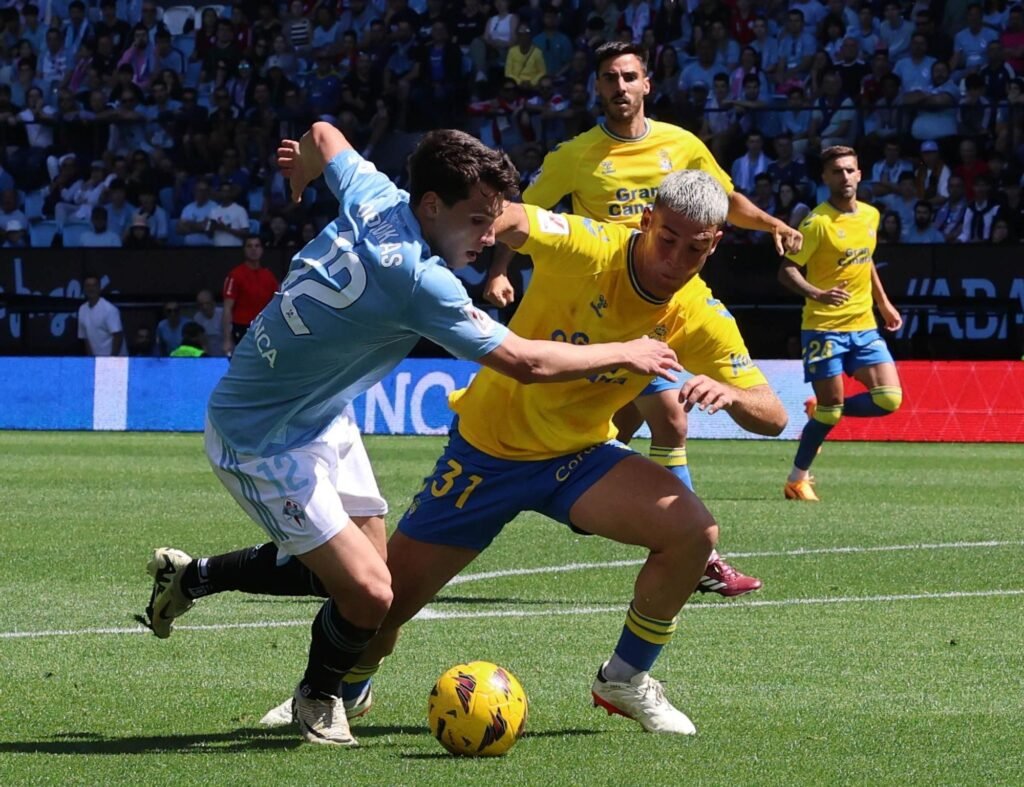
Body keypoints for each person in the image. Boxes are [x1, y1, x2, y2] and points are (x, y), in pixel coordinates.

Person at [144, 169, 787, 739]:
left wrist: (731, 394)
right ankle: (344, 687)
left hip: (581, 460)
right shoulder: (589, 243)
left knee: (694, 532)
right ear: (647, 220)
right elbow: (504, 216)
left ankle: (624, 679)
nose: (677, 258)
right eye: (667, 237)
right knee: (382, 602)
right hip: (486, 454)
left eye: (695, 248)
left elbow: (774, 414)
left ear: (715, 244)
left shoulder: (700, 314)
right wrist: (474, 232)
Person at [484, 41, 802, 596]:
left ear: (647, 84)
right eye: (610, 77)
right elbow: (525, 212)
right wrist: (500, 270)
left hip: (666, 308)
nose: (620, 86)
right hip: (600, 309)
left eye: (629, 76)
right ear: (598, 88)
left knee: (648, 424)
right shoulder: (575, 155)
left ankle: (623, 513)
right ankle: (622, 511)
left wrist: (772, 223)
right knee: (661, 423)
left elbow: (724, 201)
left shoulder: (681, 145)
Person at [778, 146, 904, 502]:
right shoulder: (817, 222)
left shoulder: (871, 215)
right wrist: (817, 293)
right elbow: (786, 269)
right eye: (837, 172)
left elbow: (866, 263)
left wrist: (884, 304)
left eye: (850, 170)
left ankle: (821, 410)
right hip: (823, 328)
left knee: (889, 399)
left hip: (864, 326)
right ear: (826, 178)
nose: (844, 177)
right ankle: (796, 479)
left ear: (860, 174)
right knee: (831, 412)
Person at [221, 235, 278, 355]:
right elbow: (227, 308)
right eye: (249, 246)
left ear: (262, 250)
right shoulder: (235, 275)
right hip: (242, 328)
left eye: (257, 246)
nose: (253, 249)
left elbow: (276, 306)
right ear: (244, 250)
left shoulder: (269, 276)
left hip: (264, 329)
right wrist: (227, 339)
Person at [77, 275, 126, 357]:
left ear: (99, 288)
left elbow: (118, 336)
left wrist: (111, 360)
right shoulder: (82, 309)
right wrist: (91, 360)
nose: (91, 288)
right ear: (84, 289)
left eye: (94, 285)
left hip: (116, 360)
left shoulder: (109, 309)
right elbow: (85, 338)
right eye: (88, 286)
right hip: (97, 360)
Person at [192, 289, 225, 356]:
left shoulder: (223, 314)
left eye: (207, 303)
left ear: (213, 303)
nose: (205, 307)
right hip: (208, 355)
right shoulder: (197, 318)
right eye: (201, 304)